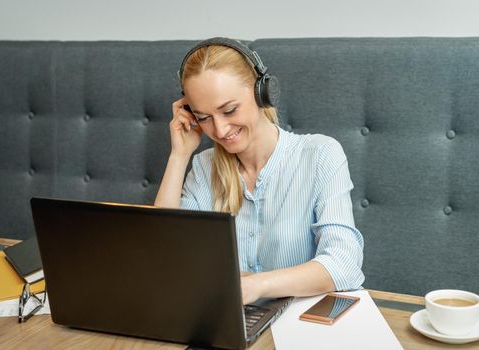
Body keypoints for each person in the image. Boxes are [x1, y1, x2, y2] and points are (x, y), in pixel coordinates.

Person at [155, 37, 364, 305]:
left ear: (260, 93)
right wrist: (179, 155)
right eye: (204, 117)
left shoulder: (320, 155)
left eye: (229, 110)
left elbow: (344, 263)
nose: (219, 130)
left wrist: (258, 285)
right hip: (227, 323)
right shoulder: (204, 166)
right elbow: (163, 254)